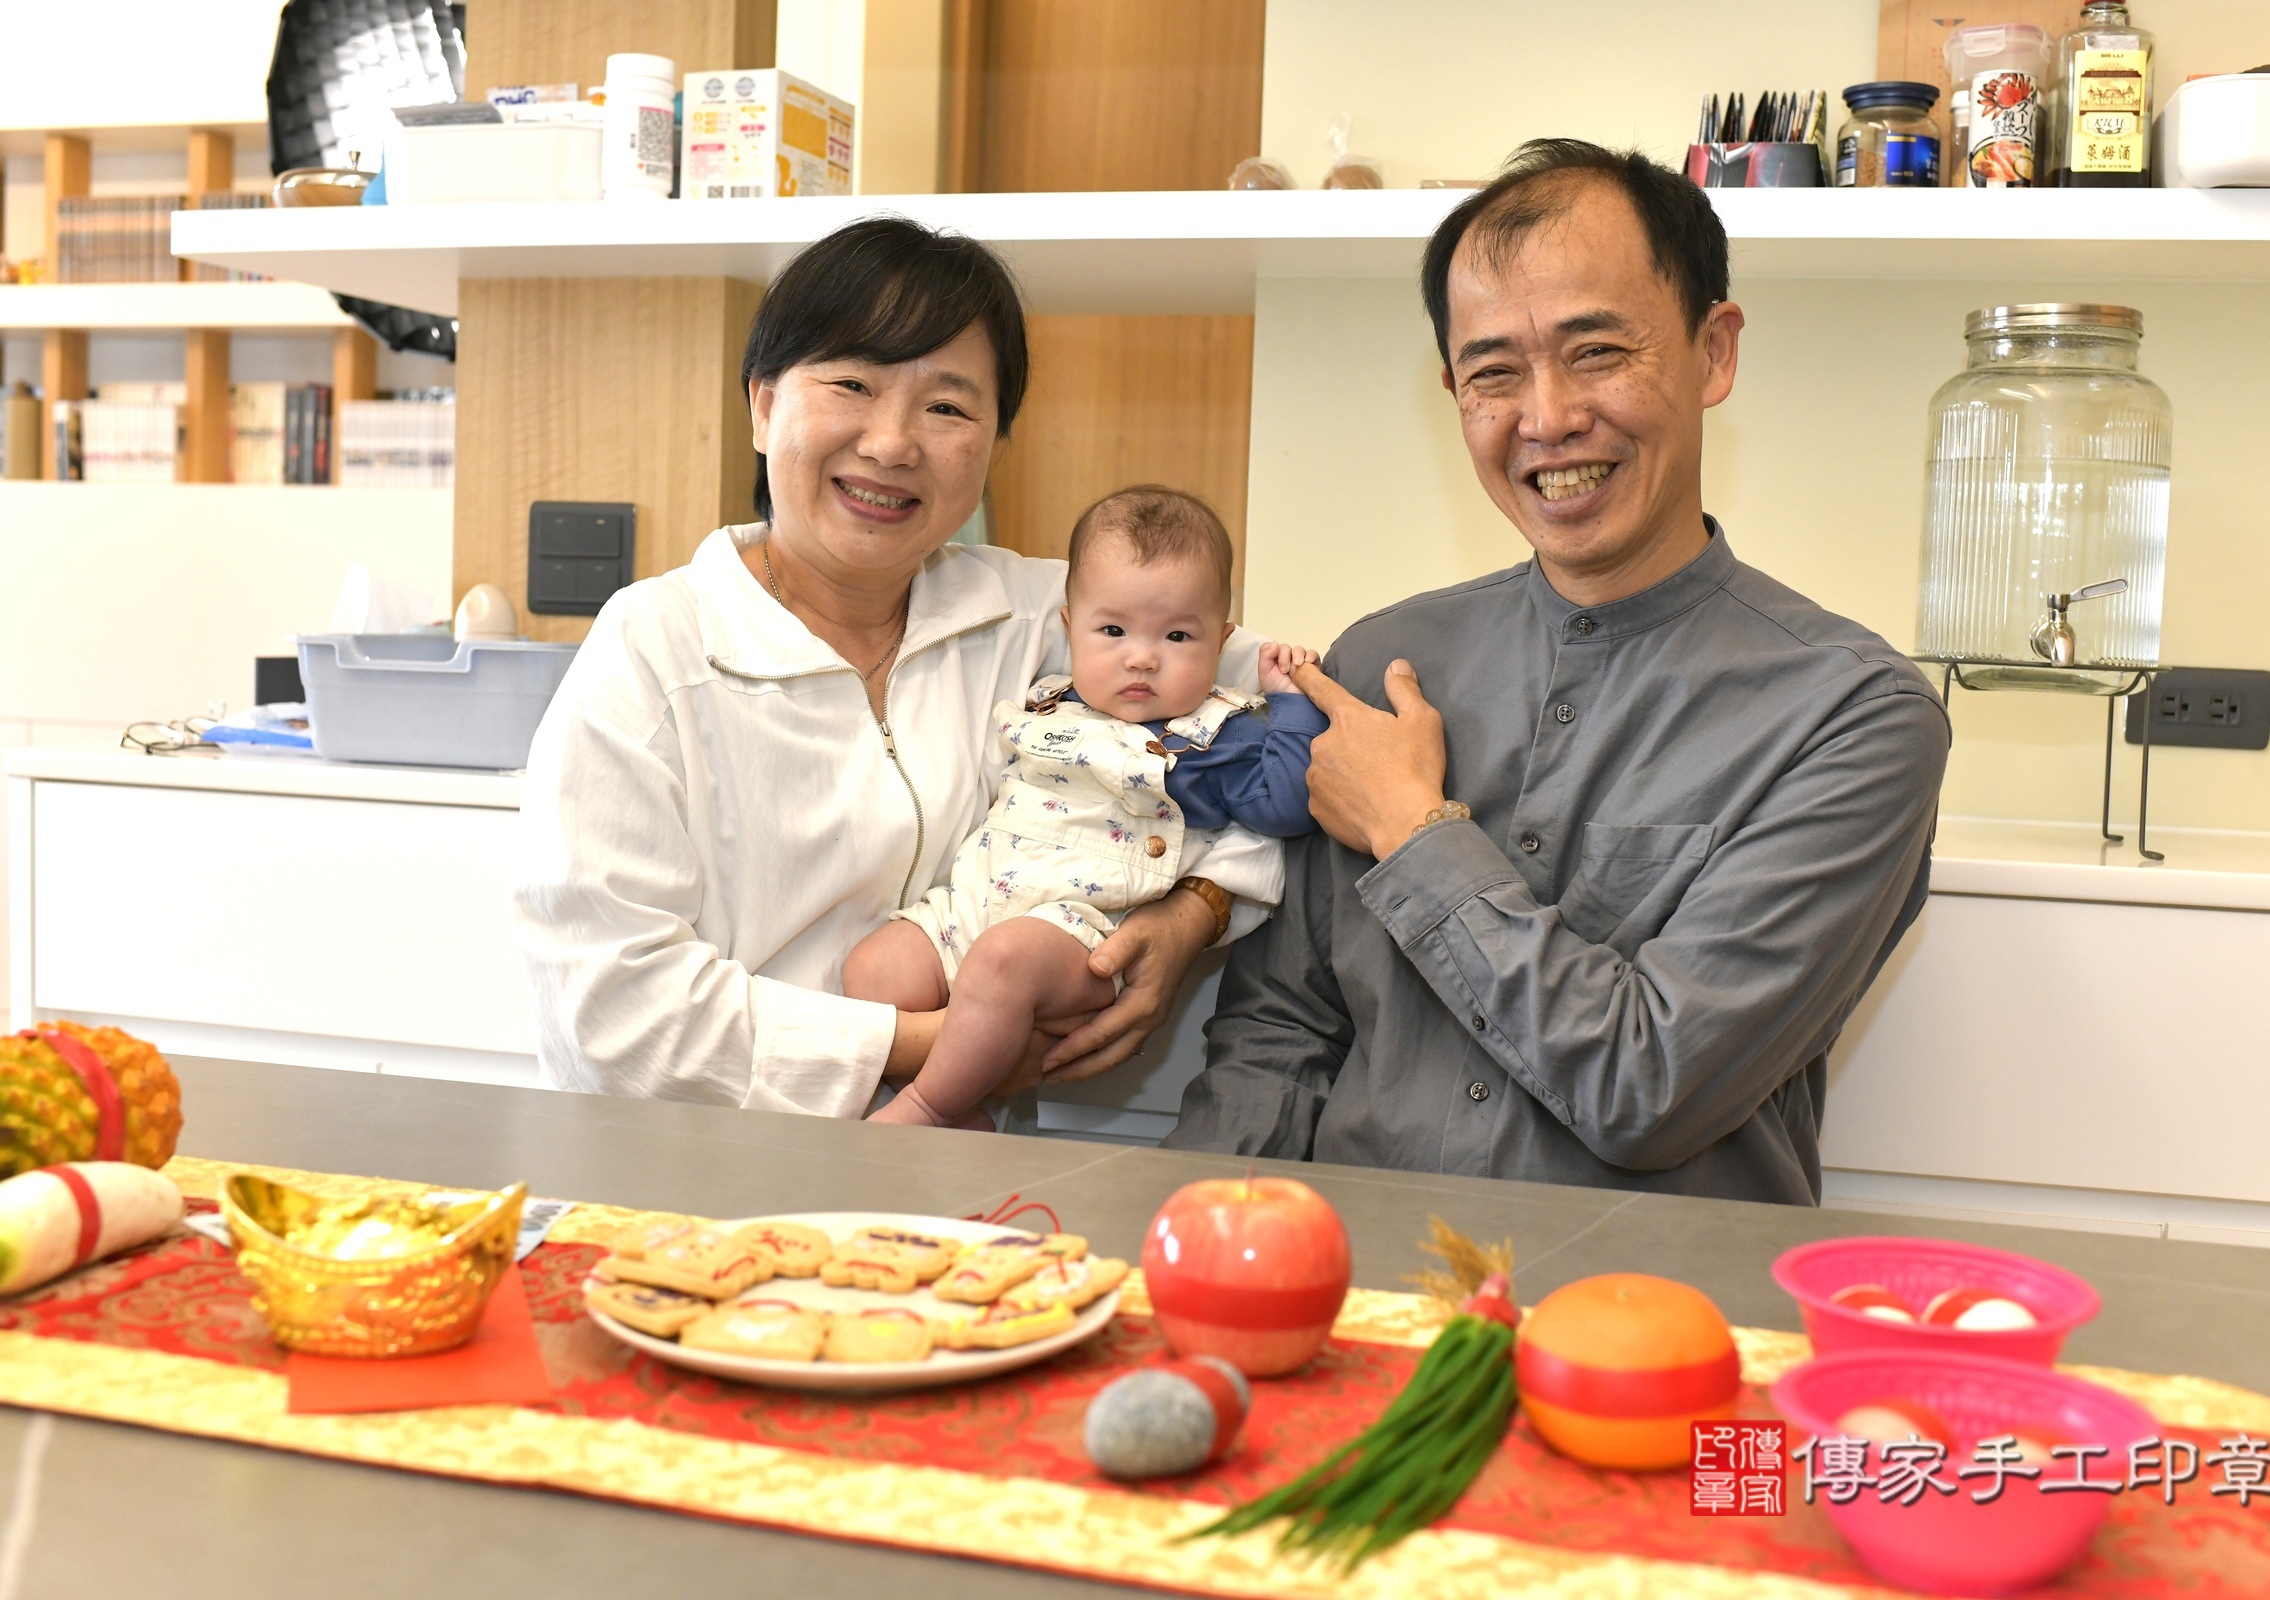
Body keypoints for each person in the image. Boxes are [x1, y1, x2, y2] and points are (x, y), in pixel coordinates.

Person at [1165, 139, 1950, 1203]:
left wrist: (1415, 832)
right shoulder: (1379, 663)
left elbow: (1652, 1087)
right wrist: (1202, 1257)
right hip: (1358, 1304)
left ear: (1713, 352)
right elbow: (1280, 1026)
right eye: (1493, 371)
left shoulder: (1852, 715)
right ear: (1453, 391)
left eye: (1596, 352)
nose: (1546, 417)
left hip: (1656, 1335)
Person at [514, 219, 1281, 1123]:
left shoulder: (1050, 623)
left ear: (996, 442)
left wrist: (1190, 917)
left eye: (947, 407)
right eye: (852, 384)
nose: (891, 443)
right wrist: (955, 1043)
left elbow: (1293, 730)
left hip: (956, 1194)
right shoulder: (655, 651)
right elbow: (611, 1018)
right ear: (763, 406)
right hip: (701, 1180)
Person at [846, 487, 1328, 1129]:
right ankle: (968, 1122)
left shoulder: (1217, 735)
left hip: (1079, 933)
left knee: (1000, 965)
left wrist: (1291, 703)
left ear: (1222, 640)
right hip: (973, 901)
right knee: (874, 968)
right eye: (1113, 630)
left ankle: (930, 1106)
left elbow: (1289, 806)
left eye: (1179, 635)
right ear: (1071, 627)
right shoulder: (1048, 698)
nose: (1141, 656)